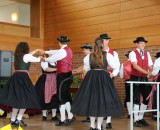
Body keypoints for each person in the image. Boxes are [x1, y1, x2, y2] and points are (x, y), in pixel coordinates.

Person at [71, 37, 123, 130]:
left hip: (92, 78)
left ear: (94, 45)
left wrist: (88, 80)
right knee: (102, 102)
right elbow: (116, 66)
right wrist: (112, 74)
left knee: (92, 101)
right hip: (104, 78)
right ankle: (99, 126)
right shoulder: (107, 55)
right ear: (102, 45)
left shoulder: (89, 56)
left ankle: (92, 125)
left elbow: (86, 68)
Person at [0, 42, 41, 127]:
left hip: (15, 77)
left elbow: (28, 56)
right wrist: (40, 57)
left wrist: (35, 51)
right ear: (26, 48)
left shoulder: (17, 56)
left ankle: (12, 120)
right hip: (23, 79)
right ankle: (18, 119)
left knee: (17, 101)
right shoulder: (27, 56)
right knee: (26, 99)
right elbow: (37, 60)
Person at [41, 36, 75, 126]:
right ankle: (71, 116)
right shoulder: (68, 49)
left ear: (59, 42)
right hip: (69, 75)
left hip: (63, 76)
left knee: (61, 98)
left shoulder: (62, 51)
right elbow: (54, 52)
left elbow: (52, 58)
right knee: (66, 97)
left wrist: (45, 59)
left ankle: (63, 120)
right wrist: (45, 52)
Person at [129, 37, 153, 127]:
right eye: (141, 43)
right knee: (136, 99)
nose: (143, 44)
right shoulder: (132, 53)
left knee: (147, 97)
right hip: (135, 78)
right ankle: (136, 120)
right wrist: (147, 72)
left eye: (144, 43)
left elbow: (150, 65)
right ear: (136, 44)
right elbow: (135, 66)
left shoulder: (147, 53)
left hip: (144, 79)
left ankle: (140, 117)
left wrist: (150, 70)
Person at [100, 33, 120, 129]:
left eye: (104, 40)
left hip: (109, 77)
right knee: (100, 98)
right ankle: (100, 118)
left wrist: (113, 74)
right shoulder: (97, 52)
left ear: (108, 41)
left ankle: (108, 120)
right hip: (99, 78)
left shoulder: (113, 53)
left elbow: (117, 66)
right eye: (101, 40)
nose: (103, 42)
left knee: (109, 98)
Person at [72, 43, 92, 123]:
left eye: (84, 49)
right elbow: (83, 67)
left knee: (88, 98)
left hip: (89, 80)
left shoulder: (88, 57)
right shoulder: (89, 57)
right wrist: (75, 70)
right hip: (90, 79)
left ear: (88, 49)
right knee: (89, 98)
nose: (83, 51)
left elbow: (85, 70)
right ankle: (89, 117)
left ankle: (90, 117)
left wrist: (73, 73)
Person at [120, 51, 132, 118]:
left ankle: (130, 113)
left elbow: (121, 76)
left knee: (128, 97)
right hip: (137, 81)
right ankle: (137, 114)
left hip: (128, 82)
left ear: (127, 56)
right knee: (137, 97)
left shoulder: (123, 64)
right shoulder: (137, 63)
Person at [151, 52, 160, 120]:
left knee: (157, 97)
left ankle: (157, 115)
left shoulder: (158, 60)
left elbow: (154, 72)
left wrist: (149, 73)